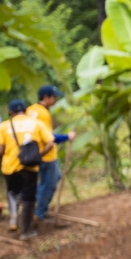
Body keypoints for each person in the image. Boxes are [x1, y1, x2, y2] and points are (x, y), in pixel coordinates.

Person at [0, 100, 54, 239]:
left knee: (13, 193)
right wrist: (40, 155)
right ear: (25, 110)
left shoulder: (4, 126)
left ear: (10, 112)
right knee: (28, 198)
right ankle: (26, 230)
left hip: (9, 167)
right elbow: (50, 142)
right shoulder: (37, 123)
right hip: (29, 166)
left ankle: (13, 222)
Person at [27, 85, 76, 222]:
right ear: (46, 97)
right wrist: (67, 137)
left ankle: (36, 206)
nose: (55, 100)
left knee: (52, 178)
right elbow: (49, 137)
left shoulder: (31, 110)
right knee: (49, 184)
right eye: (54, 97)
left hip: (33, 152)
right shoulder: (43, 114)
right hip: (47, 154)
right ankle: (39, 214)